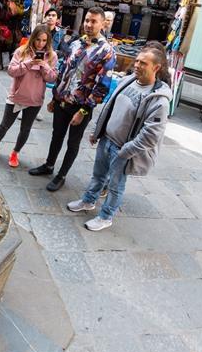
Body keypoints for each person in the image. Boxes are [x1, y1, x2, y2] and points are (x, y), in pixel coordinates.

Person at [67, 45, 172, 231]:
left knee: (115, 186)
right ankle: (88, 201)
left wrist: (126, 151)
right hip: (107, 139)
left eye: (143, 63)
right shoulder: (128, 80)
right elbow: (110, 107)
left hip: (123, 150)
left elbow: (151, 135)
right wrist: (98, 131)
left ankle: (106, 216)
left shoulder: (159, 100)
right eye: (137, 61)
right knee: (98, 176)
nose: (137, 65)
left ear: (156, 68)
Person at [29, 7, 116, 191]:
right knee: (56, 135)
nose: (89, 24)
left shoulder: (106, 51)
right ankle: (49, 165)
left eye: (94, 21)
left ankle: (62, 175)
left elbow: (102, 86)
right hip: (62, 101)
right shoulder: (76, 43)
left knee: (72, 142)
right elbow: (64, 71)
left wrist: (84, 110)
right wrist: (55, 97)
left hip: (81, 106)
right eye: (87, 20)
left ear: (102, 24)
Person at [0, 25, 58, 167]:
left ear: (48, 41)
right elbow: (11, 71)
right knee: (4, 125)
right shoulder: (21, 51)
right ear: (33, 38)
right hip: (17, 96)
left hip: (35, 99)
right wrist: (28, 63)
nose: (40, 44)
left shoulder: (51, 56)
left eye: (44, 40)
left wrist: (44, 65)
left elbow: (52, 78)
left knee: (25, 129)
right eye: (38, 39)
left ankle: (15, 153)